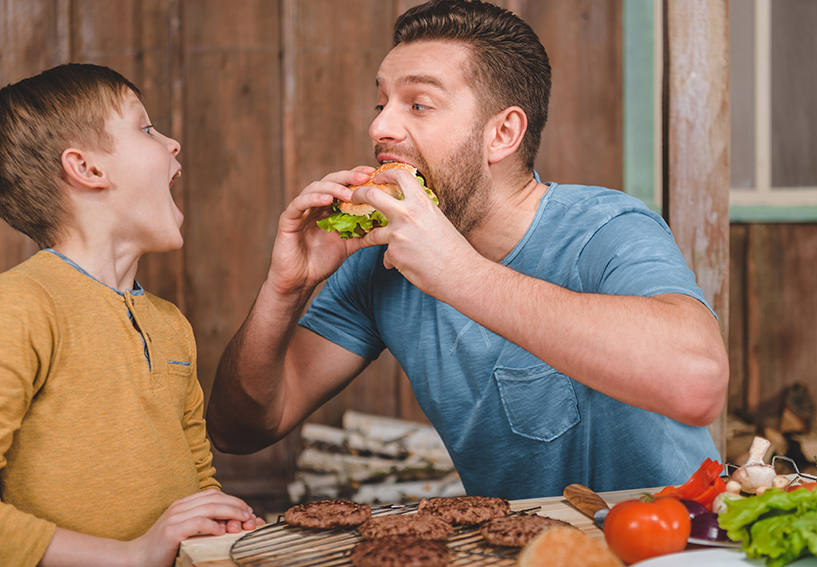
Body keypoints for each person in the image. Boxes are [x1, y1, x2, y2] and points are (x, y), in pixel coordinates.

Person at [207, 0, 729, 500]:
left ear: (502, 133)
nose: (380, 128)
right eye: (381, 103)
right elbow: (242, 429)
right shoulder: (377, 262)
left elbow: (698, 384)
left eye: (418, 104)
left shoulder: (605, 227)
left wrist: (458, 273)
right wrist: (285, 289)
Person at [0, 63, 262, 567]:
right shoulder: (22, 307)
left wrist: (223, 525)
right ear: (88, 169)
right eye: (146, 128)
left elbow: (198, 486)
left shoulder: (170, 325)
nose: (173, 144)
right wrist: (132, 555)